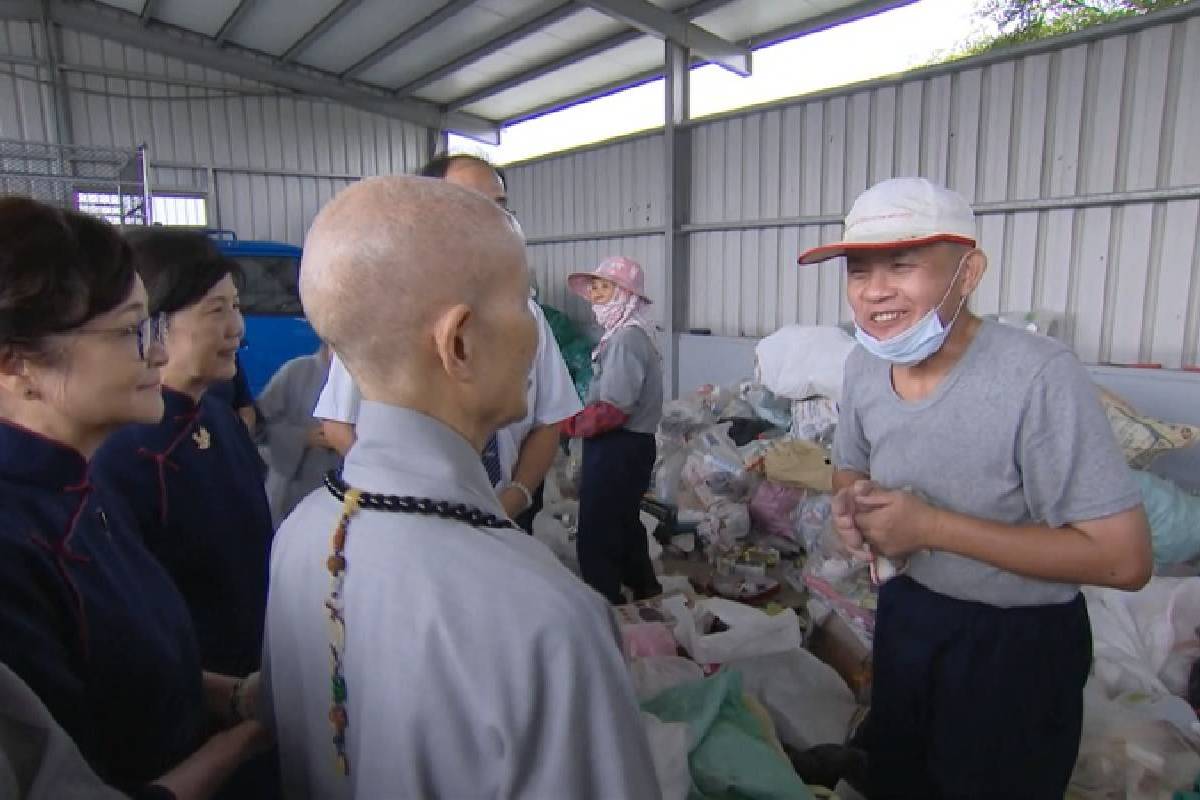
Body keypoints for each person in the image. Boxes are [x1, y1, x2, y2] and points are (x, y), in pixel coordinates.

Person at [262, 176, 658, 798]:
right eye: (524, 303)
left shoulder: (299, 536)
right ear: (460, 343)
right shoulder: (547, 622)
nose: (537, 334)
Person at [800, 177, 1152, 799]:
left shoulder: (1037, 375)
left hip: (1015, 643)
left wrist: (933, 529)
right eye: (859, 271)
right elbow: (849, 469)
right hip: (911, 614)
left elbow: (1125, 560)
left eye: (903, 266)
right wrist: (852, 506)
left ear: (969, 273)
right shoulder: (864, 363)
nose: (876, 291)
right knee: (899, 776)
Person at [0, 198, 268, 799]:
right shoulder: (14, 544)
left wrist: (236, 696)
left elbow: (131, 674)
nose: (156, 352)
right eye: (130, 332)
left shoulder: (75, 487)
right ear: (16, 364)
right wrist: (249, 736)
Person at [92, 229, 279, 797]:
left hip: (256, 697)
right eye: (216, 311)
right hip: (187, 726)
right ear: (154, 322)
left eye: (237, 309)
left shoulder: (219, 420)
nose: (237, 330)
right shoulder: (123, 451)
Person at [314, 154, 581, 531]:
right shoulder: (386, 312)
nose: (492, 222)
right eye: (469, 205)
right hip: (411, 523)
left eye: (500, 208)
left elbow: (548, 419)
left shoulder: (527, 317)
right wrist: (406, 499)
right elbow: (339, 423)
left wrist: (512, 499)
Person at [561, 256, 664, 605]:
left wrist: (568, 425)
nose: (597, 294)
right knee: (623, 517)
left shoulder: (626, 339)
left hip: (619, 445)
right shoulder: (624, 334)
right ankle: (643, 585)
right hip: (631, 444)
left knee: (598, 525)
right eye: (596, 287)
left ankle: (602, 599)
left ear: (626, 294)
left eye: (607, 287)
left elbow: (615, 408)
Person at [256, 342, 340, 526]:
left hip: (343, 498)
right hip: (292, 493)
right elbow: (259, 427)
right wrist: (302, 437)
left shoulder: (366, 381)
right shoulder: (296, 371)